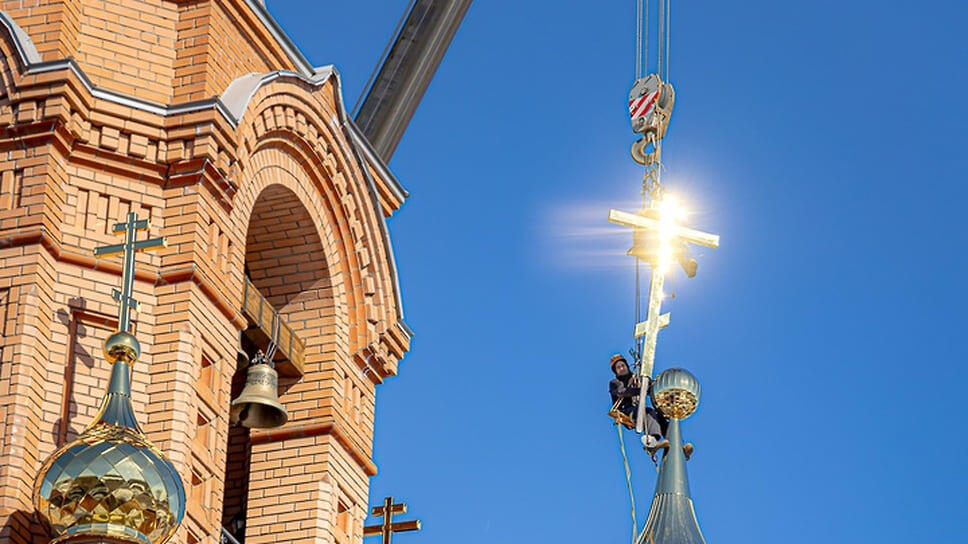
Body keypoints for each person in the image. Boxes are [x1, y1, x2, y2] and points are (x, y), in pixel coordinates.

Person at [608, 354, 669, 456]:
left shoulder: (636, 379)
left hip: (637, 409)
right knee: (647, 412)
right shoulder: (615, 382)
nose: (621, 368)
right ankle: (652, 441)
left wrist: (650, 385)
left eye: (623, 365)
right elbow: (622, 392)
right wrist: (643, 390)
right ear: (616, 371)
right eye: (618, 368)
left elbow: (646, 386)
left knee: (658, 415)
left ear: (627, 366)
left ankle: (675, 442)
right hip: (626, 411)